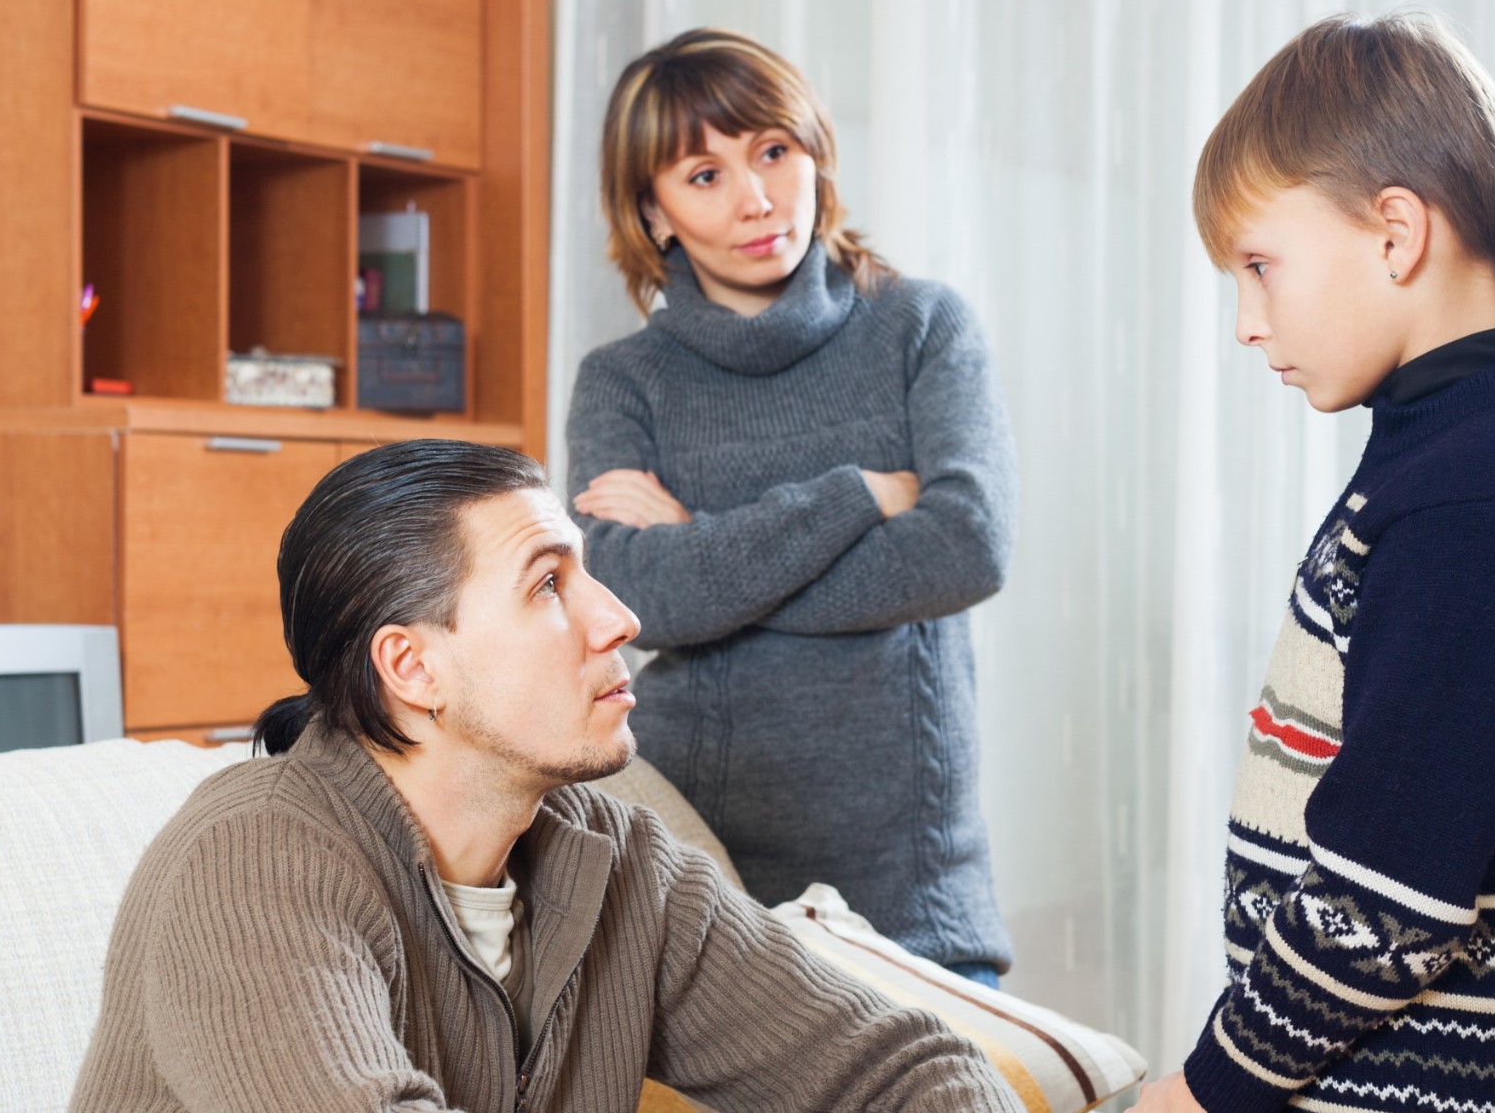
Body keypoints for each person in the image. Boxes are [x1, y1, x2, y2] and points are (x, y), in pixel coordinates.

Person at [68, 439, 1023, 1112]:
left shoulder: (619, 862)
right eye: (547, 585)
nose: (619, 618)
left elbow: (902, 1071)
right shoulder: (255, 863)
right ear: (413, 668)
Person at [1134, 12, 1495, 1113]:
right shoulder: (1445, 455)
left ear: (1395, 234)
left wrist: (1206, 1088)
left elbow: (1389, 895)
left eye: (1260, 267)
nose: (1244, 324)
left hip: (1407, 1090)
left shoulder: (1475, 504)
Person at [566, 28, 1018, 988]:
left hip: (911, 881)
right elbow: (639, 597)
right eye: (703, 174)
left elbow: (967, 549)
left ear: (815, 152)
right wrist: (854, 496)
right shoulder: (621, 383)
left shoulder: (920, 326)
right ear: (652, 212)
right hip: (697, 865)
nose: (756, 197)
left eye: (773, 151)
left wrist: (702, 543)